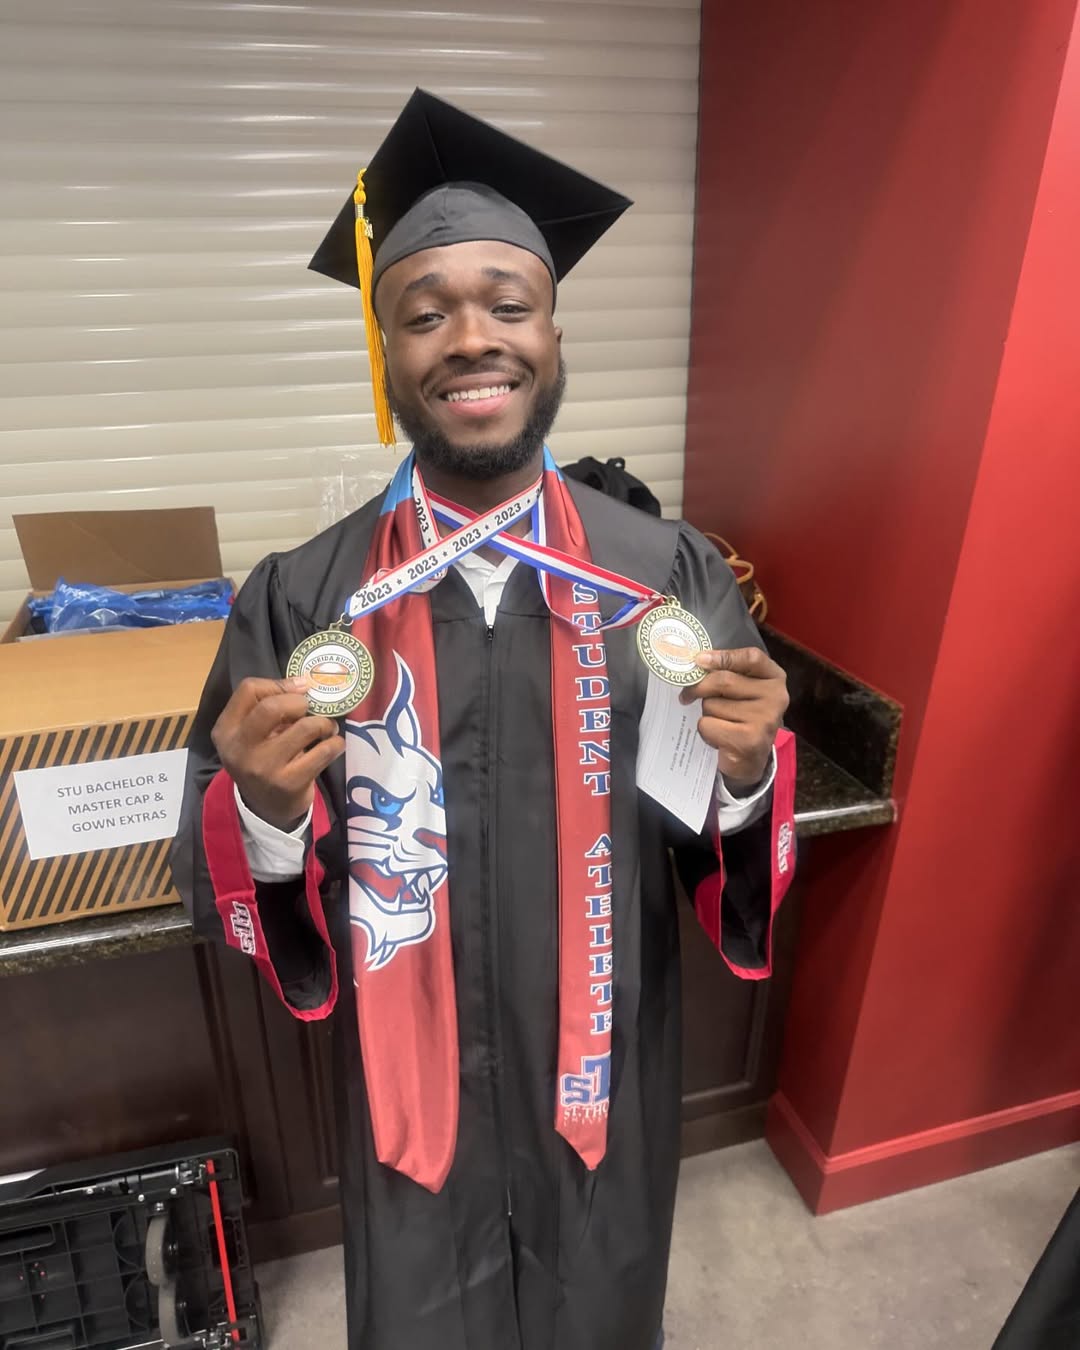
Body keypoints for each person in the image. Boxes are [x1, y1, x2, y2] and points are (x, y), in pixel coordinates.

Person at [172, 89, 796, 1350]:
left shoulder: (665, 575)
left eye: (508, 306)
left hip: (603, 1069)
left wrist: (745, 775)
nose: (471, 340)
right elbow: (218, 854)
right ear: (386, 353)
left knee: (599, 1311)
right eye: (425, 313)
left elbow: (720, 833)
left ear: (553, 338)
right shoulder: (304, 598)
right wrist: (265, 809)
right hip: (414, 1096)